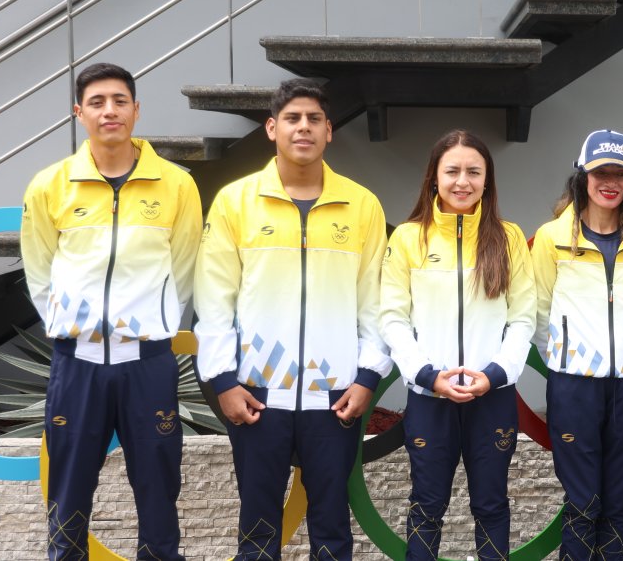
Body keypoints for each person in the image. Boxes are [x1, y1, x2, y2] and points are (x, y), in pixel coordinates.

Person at [194, 77, 392, 560]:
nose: (303, 128)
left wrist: (367, 377)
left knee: (332, 527)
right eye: (292, 118)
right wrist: (223, 380)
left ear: (330, 132)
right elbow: (213, 300)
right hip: (257, 392)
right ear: (271, 128)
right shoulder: (235, 202)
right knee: (258, 530)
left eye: (314, 120)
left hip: (336, 394)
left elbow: (377, 304)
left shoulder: (362, 205)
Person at [21, 62, 201, 561]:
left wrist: (154, 320)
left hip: (148, 361)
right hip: (76, 362)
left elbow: (183, 269)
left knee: (159, 482)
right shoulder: (50, 185)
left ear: (136, 110)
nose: (110, 112)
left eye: (120, 101)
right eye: (97, 102)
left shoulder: (176, 185)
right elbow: (39, 272)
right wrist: (67, 325)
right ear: (79, 113)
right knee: (70, 486)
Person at [379, 129, 536, 560]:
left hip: (493, 396)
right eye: (452, 171)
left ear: (488, 179)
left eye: (473, 171)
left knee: (491, 506)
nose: (462, 181)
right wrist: (428, 376)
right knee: (427, 506)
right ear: (434, 177)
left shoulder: (507, 238)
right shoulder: (409, 238)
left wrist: (495, 375)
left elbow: (523, 318)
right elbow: (392, 318)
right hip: (431, 397)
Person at [531, 128, 623, 560]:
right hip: (575, 383)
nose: (610, 182)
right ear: (582, 176)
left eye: (620, 174)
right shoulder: (552, 237)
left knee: (615, 500)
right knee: (583, 499)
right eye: (600, 172)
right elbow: (540, 310)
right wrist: (566, 357)